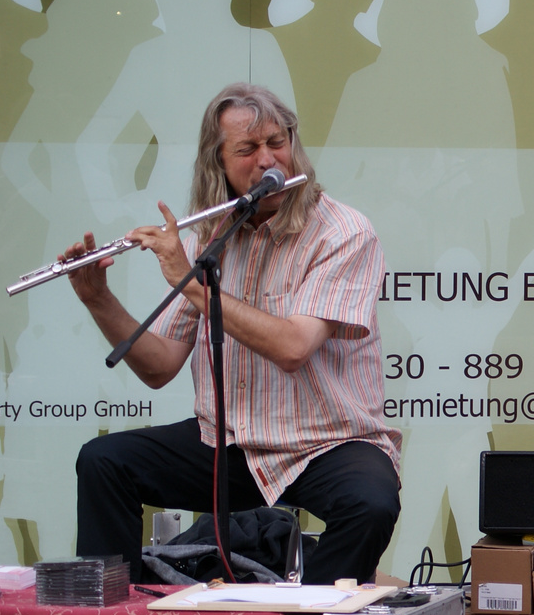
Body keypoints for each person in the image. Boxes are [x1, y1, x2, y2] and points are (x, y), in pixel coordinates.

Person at [63, 83, 400, 584]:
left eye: (277, 141)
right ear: (218, 163)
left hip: (326, 442)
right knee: (103, 462)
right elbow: (159, 367)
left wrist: (196, 283)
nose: (269, 159)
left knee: (371, 502)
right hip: (229, 441)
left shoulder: (344, 232)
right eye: (247, 149)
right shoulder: (213, 236)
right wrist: (98, 299)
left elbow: (292, 347)